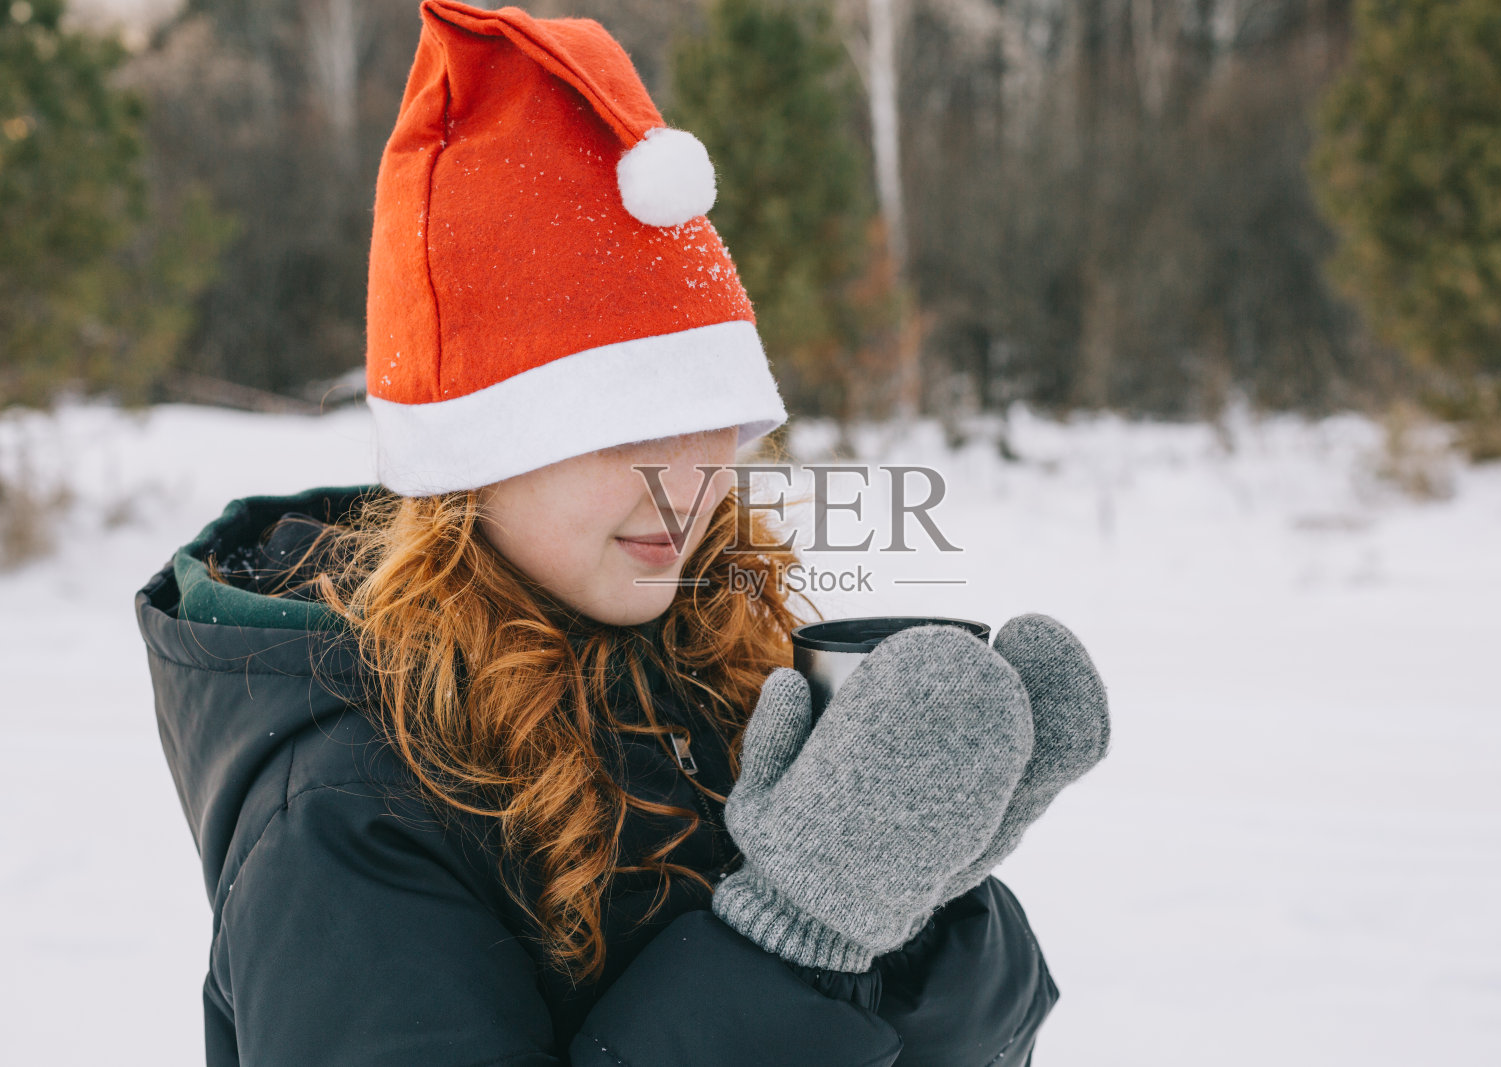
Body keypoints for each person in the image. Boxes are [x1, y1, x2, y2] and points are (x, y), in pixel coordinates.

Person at [133, 3, 1112, 1064]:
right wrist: (798, 936)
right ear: (472, 455)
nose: (682, 485)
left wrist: (929, 899)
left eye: (711, 428)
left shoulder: (718, 674)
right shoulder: (346, 808)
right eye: (620, 431)